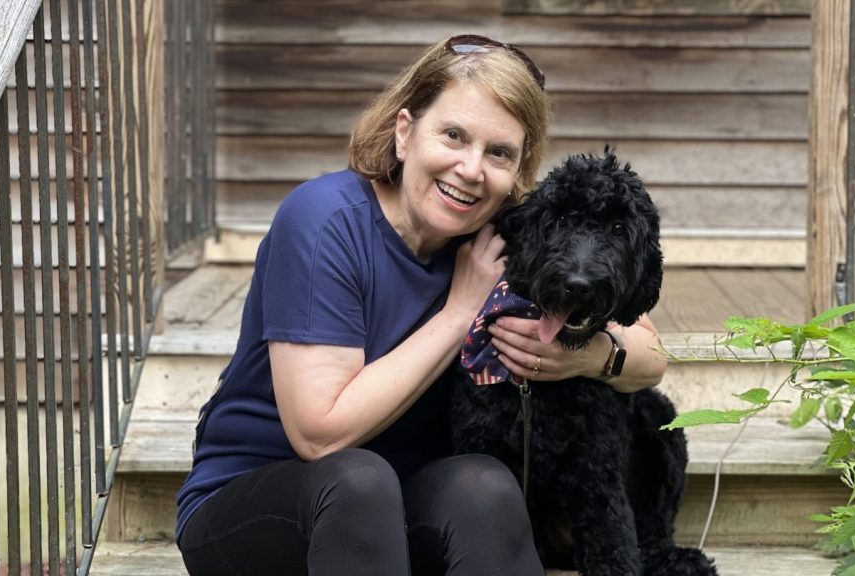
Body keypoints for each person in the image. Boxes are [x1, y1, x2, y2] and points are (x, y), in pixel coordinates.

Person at [175, 34, 668, 576]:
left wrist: (590, 357)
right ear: (405, 132)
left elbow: (650, 353)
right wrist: (460, 312)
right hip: (262, 505)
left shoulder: (499, 229)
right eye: (453, 136)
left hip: (404, 502)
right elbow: (320, 434)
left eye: (498, 152)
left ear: (518, 169)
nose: (471, 169)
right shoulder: (323, 222)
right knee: (358, 480)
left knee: (485, 483)